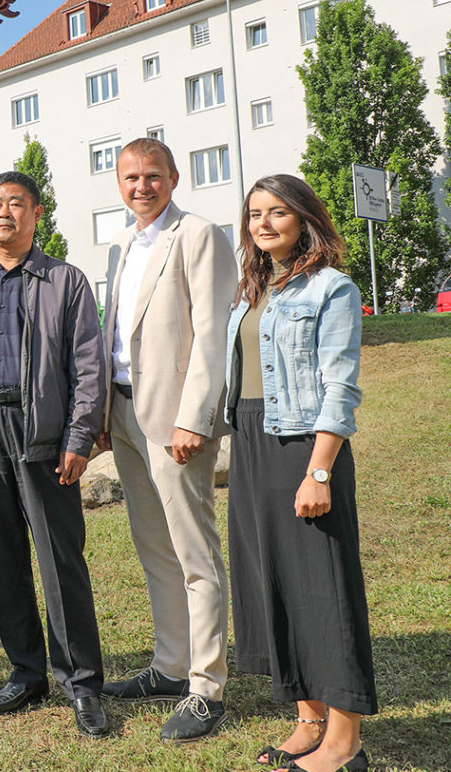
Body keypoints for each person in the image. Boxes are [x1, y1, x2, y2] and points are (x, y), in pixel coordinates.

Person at [0, 171, 109, 738]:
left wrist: (79, 437)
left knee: (61, 560)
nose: (4, 212)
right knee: (3, 556)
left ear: (37, 213)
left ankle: (81, 682)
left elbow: (90, 365)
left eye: (16, 203)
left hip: (43, 430)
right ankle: (26, 672)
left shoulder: (65, 280)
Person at [224, 175, 374, 772]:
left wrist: (319, 471)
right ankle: (309, 719)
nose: (264, 223)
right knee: (274, 583)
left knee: (324, 589)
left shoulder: (331, 288)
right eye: (255, 214)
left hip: (304, 446)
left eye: (277, 212)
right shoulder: (252, 288)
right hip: (253, 442)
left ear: (304, 217)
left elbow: (340, 386)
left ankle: (345, 739)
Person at [98, 139, 237, 742]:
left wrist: (195, 418)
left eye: (153, 176)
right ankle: (169, 665)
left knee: (195, 555)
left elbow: (211, 335)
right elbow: (116, 333)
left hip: (175, 418)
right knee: (154, 550)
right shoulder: (122, 245)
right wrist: (103, 409)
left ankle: (206, 687)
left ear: (174, 177)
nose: (141, 186)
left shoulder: (200, 235)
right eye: (131, 177)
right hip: (125, 413)